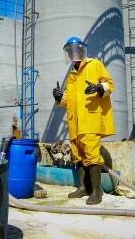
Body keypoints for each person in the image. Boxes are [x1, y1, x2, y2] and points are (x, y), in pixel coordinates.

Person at [52, 37, 115, 205]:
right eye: (70, 52)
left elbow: (110, 84)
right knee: (78, 153)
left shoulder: (95, 65)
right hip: (75, 122)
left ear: (82, 50)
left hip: (90, 118)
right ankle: (83, 188)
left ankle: (97, 191)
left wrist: (99, 88)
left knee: (92, 153)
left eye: (76, 50)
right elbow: (69, 99)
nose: (74, 54)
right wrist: (59, 97)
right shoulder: (72, 75)